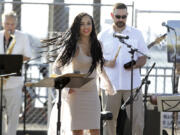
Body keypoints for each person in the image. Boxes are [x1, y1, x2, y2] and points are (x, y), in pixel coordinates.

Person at [45, 12, 115, 135]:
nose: (86, 27)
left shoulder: (98, 45)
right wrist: (66, 85)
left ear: (92, 25)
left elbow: (100, 66)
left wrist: (108, 83)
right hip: (76, 94)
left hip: (92, 93)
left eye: (88, 23)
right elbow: (56, 68)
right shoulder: (73, 46)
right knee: (77, 131)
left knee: (95, 130)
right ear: (77, 26)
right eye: (82, 24)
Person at [98, 3, 149, 135]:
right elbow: (96, 60)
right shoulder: (102, 35)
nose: (121, 19)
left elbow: (143, 57)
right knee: (108, 121)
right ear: (112, 16)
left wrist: (135, 64)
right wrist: (108, 63)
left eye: (124, 17)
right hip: (110, 85)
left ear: (127, 16)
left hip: (133, 85)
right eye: (118, 16)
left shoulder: (136, 34)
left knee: (137, 120)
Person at [0, 11, 32, 135]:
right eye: (7, 24)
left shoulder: (22, 36)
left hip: (14, 82)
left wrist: (12, 61)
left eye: (12, 24)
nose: (10, 27)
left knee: (13, 114)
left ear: (16, 24)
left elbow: (28, 56)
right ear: (2, 23)